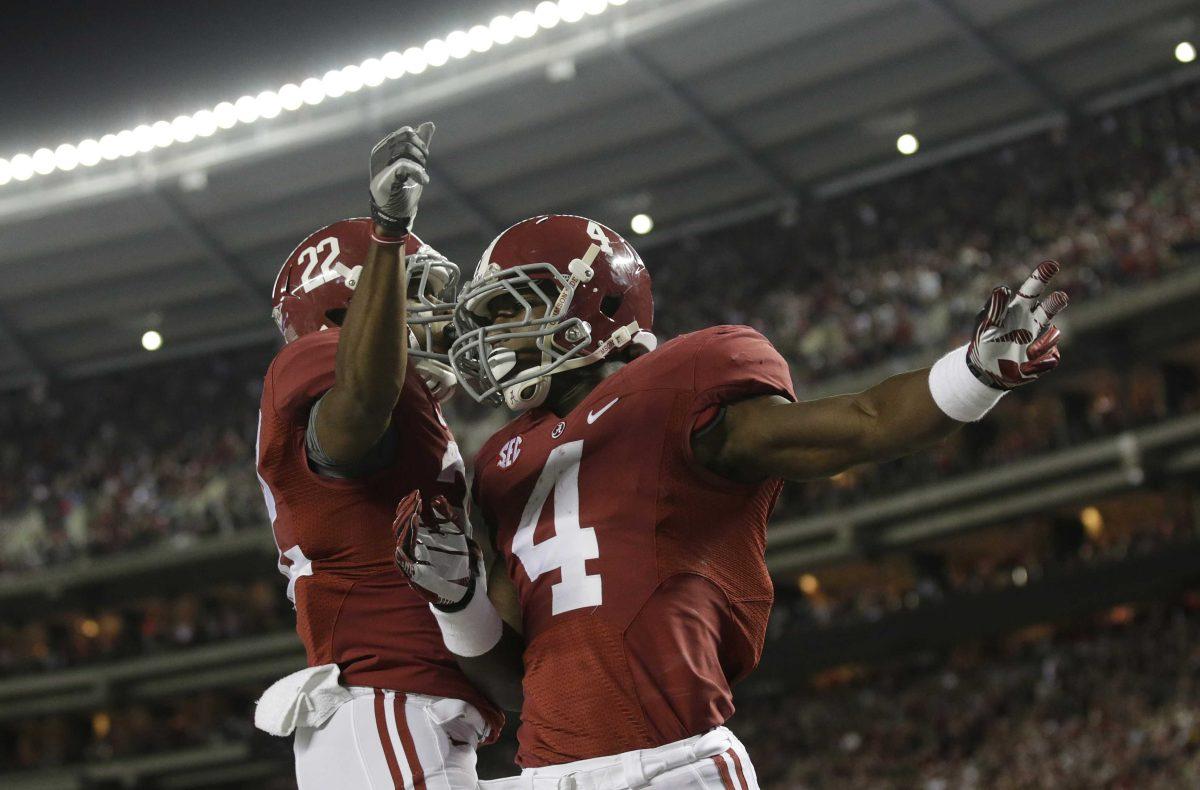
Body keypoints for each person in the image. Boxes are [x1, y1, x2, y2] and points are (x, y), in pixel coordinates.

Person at [395, 214, 1067, 789]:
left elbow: (861, 422)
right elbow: (516, 683)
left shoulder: (679, 384)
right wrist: (456, 601)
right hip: (543, 772)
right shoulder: (502, 462)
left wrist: (972, 376)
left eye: (512, 307)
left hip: (667, 766)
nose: (495, 334)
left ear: (596, 302)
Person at [253, 123, 501, 790]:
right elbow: (359, 404)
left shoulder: (414, 415)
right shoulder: (324, 376)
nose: (438, 323)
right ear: (348, 311)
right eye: (408, 296)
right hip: (387, 712)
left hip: (402, 718)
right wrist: (388, 233)